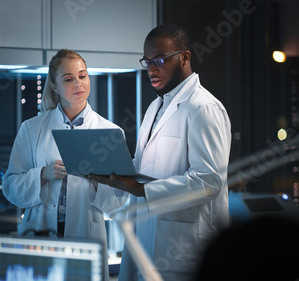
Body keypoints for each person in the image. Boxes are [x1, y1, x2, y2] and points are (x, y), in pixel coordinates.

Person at [88, 24, 232, 280]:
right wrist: (109, 175)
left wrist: (143, 189)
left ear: (185, 57)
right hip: (146, 239)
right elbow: (141, 168)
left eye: (160, 60)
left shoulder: (204, 108)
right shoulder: (155, 107)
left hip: (185, 248)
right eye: (147, 62)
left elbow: (210, 181)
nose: (152, 70)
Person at [2, 49, 129, 281]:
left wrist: (97, 182)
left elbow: (119, 200)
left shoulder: (110, 133)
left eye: (82, 76)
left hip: (86, 234)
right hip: (40, 232)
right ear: (54, 86)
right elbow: (11, 186)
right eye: (68, 79)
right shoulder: (31, 129)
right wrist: (42, 174)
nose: (78, 84)